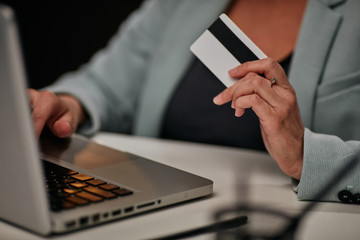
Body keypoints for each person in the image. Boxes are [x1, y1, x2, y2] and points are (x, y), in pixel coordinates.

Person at [28, 0, 360, 203]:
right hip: (163, 208)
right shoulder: (179, 4)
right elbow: (106, 84)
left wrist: (306, 155)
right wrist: (69, 105)